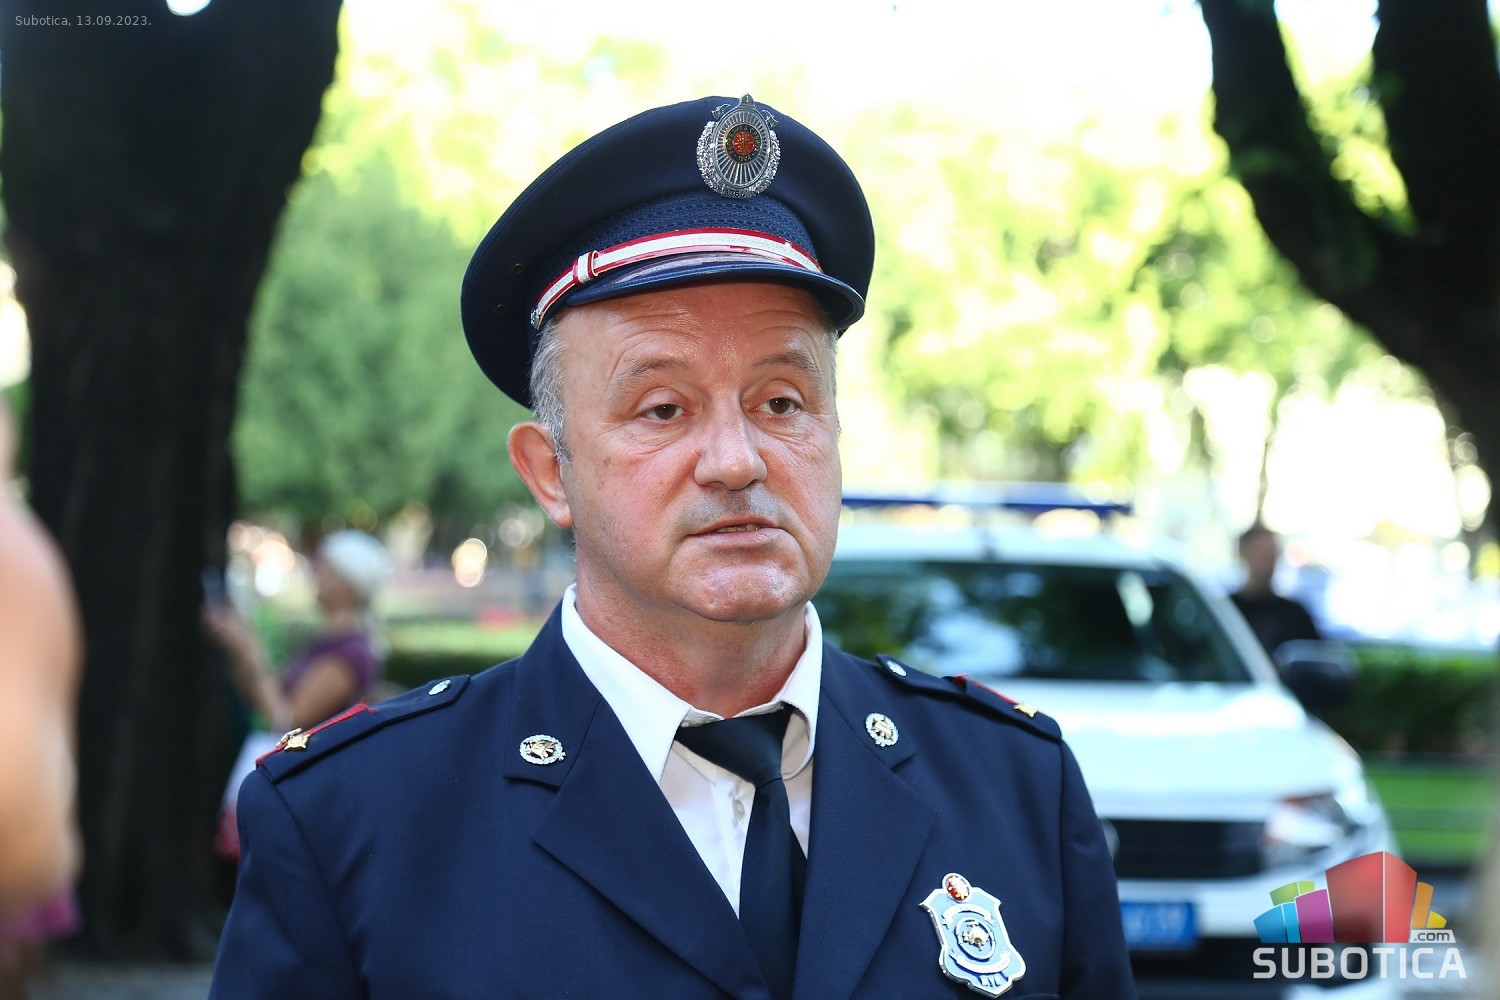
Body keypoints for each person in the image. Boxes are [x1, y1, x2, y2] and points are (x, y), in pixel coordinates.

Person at [211, 95, 1134, 998]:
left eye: (782, 402)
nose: (737, 460)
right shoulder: (354, 823)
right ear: (550, 472)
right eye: (663, 408)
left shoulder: (1018, 786)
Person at [203, 529, 390, 736]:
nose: (315, 574)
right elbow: (268, 699)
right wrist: (241, 645)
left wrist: (252, 653)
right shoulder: (331, 641)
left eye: (326, 569)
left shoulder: (350, 653)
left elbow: (289, 724)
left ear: (349, 586)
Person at [1229, 521, 1322, 659]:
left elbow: (1316, 658)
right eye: (1263, 555)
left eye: (1273, 555)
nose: (1269, 563)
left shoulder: (1294, 614)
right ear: (1244, 554)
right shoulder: (1227, 611)